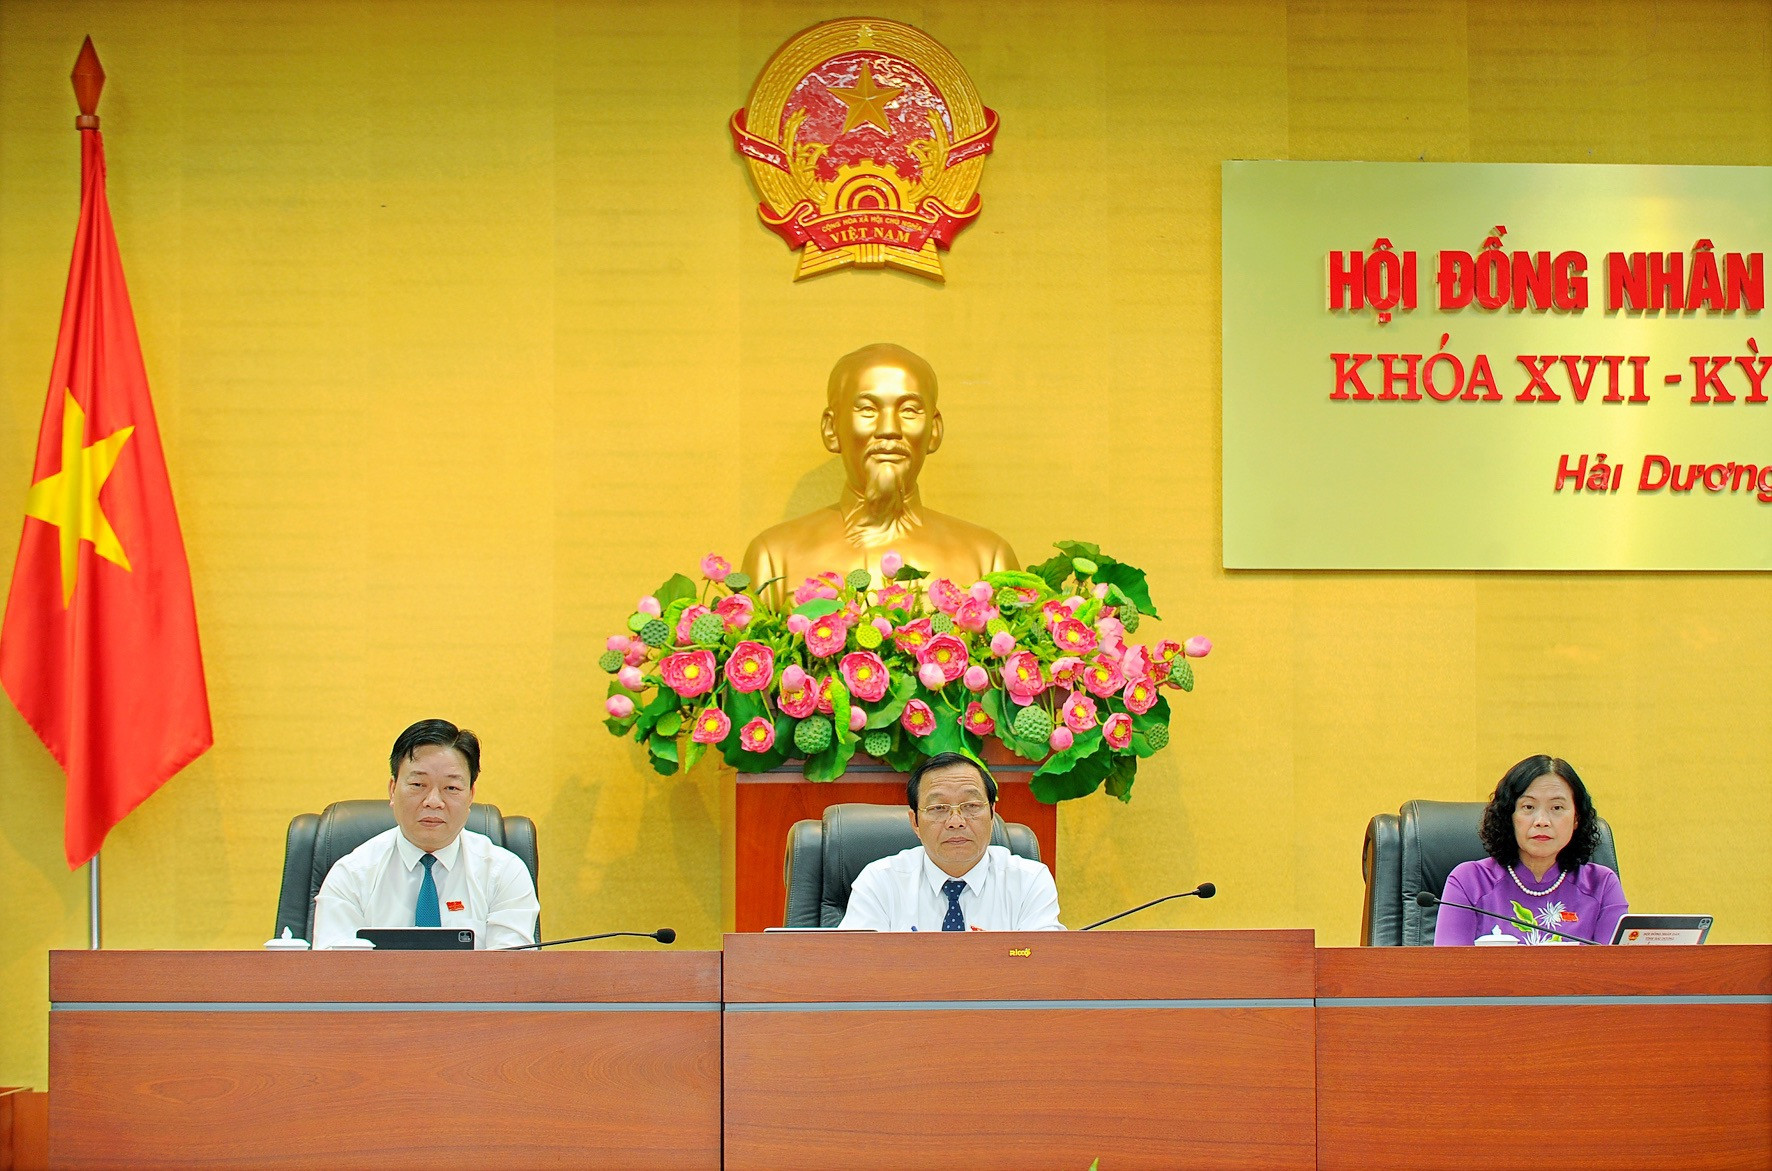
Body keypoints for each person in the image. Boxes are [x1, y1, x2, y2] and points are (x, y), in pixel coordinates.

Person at [741, 343, 1017, 604]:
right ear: (831, 428)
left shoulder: (988, 559)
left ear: (934, 431)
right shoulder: (774, 558)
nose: (889, 428)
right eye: (867, 409)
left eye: (909, 410)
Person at [312, 719, 539, 949]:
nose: (433, 802)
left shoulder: (503, 873)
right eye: (418, 784)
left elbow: (512, 977)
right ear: (392, 789)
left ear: (470, 795)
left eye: (451, 788)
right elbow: (331, 975)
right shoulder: (352, 875)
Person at [840, 751, 1062, 931]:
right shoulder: (880, 882)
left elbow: (1046, 971)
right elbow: (854, 971)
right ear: (914, 822)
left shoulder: (1029, 882)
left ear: (993, 814)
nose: (956, 822)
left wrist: (995, 958)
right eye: (938, 808)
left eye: (971, 806)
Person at [1434, 755, 1628, 945]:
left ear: (1577, 818)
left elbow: (1620, 972)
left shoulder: (1601, 885)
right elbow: (1448, 972)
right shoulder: (1469, 881)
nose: (1542, 821)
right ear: (1509, 816)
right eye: (1528, 806)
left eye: (1557, 808)